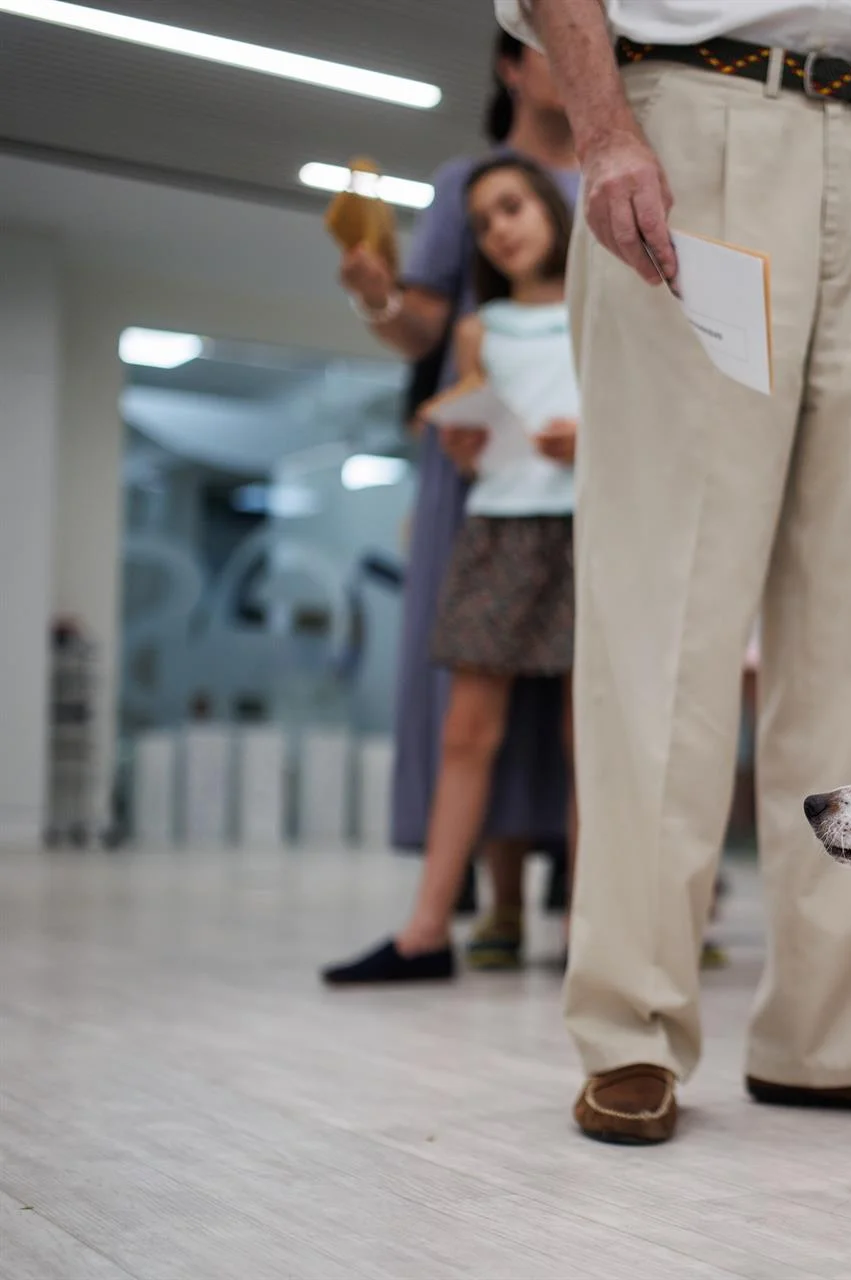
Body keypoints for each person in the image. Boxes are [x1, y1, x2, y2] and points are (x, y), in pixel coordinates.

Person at [501, 0, 851, 1146]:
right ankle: (631, 1027)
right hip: (695, 119)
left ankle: (832, 1035)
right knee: (667, 605)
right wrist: (603, 125)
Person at [336, 33, 579, 971]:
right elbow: (434, 353)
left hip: (583, 517)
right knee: (471, 719)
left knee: (581, 726)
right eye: (487, 220)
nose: (502, 227)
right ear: (512, 64)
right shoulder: (480, 306)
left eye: (515, 211)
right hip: (496, 517)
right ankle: (442, 917)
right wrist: (383, 304)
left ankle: (589, 922)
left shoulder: (611, 215)